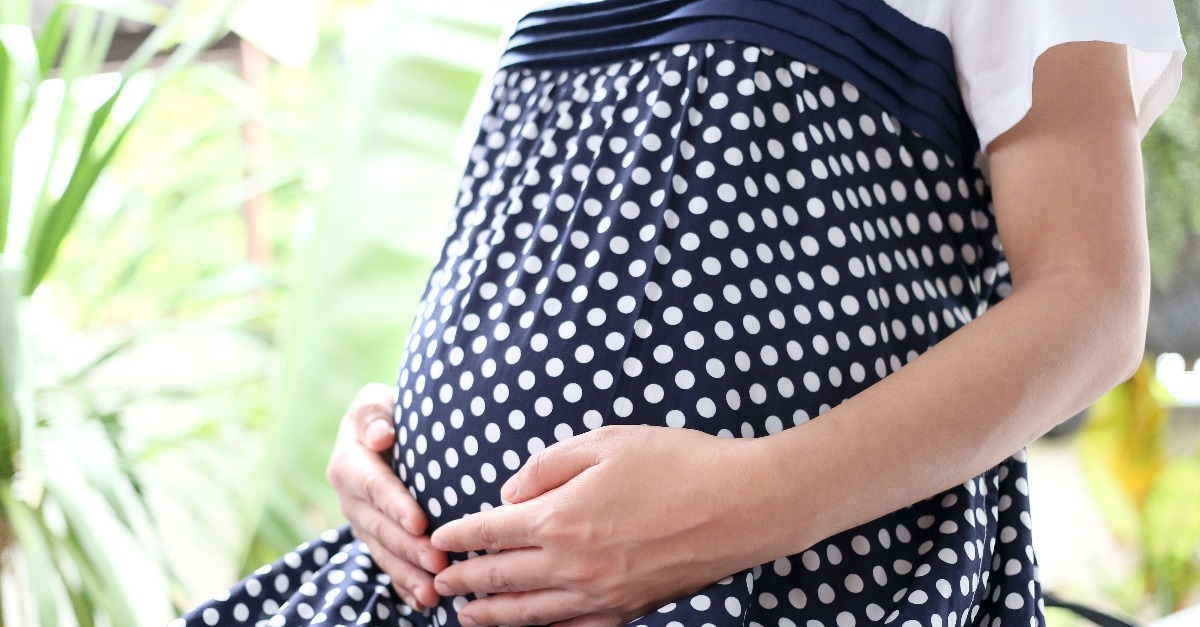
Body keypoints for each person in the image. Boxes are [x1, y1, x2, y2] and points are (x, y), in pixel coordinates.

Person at [174, 1, 1185, 626]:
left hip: (794, 591)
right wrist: (389, 433)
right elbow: (514, 265)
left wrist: (747, 502)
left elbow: (1090, 302)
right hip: (423, 590)